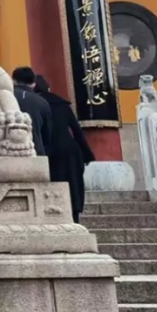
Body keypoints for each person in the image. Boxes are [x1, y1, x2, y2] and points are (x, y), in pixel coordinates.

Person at [34, 75, 96, 223]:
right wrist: (87, 154)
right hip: (69, 150)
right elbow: (77, 131)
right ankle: (75, 217)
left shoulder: (37, 104)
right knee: (73, 185)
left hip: (48, 151)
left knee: (53, 187)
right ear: (48, 88)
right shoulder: (61, 104)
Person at [12, 66, 53, 156]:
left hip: (9, 150)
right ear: (34, 84)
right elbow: (47, 133)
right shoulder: (42, 102)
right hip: (35, 151)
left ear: (14, 81)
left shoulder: (7, 97)